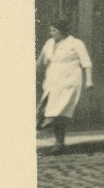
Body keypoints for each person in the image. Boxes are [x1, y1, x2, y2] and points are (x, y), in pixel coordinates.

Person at [36, 17, 93, 154]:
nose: (51, 33)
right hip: (52, 81)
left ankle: (57, 142)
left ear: (62, 31)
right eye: (50, 30)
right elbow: (40, 61)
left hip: (69, 80)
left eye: (54, 30)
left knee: (56, 112)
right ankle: (60, 143)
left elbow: (86, 63)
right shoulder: (49, 43)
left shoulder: (75, 43)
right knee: (51, 111)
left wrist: (89, 80)